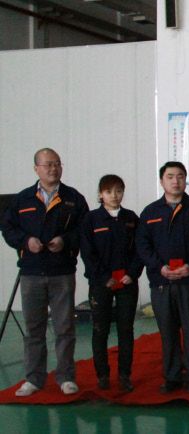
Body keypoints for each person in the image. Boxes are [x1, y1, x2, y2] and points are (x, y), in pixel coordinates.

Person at [1, 148, 89, 397]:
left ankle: (66, 377)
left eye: (57, 163)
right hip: (31, 272)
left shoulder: (74, 198)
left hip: (62, 272)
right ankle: (34, 379)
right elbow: (8, 228)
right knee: (34, 329)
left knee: (64, 328)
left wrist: (65, 241)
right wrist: (25, 241)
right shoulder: (23, 199)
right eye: (48, 164)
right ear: (36, 168)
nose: (53, 168)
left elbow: (84, 231)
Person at [136, 161, 189, 393]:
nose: (175, 181)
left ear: (185, 180)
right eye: (170, 176)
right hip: (161, 282)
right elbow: (143, 245)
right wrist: (159, 267)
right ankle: (172, 376)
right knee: (168, 332)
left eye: (180, 176)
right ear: (161, 180)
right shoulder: (150, 212)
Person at [79, 174, 142, 393]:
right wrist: (104, 277)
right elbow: (87, 253)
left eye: (118, 191)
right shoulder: (91, 220)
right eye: (108, 191)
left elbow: (140, 250)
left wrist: (132, 273)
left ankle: (125, 375)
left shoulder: (131, 218)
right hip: (101, 284)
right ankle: (102, 375)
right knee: (100, 329)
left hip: (127, 282)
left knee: (126, 329)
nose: (114, 196)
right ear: (100, 194)